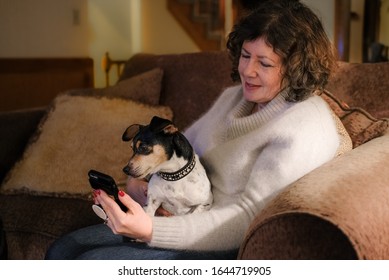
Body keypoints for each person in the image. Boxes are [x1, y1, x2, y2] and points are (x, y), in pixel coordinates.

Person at [45, 0, 351, 260]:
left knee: (91, 263)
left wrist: (151, 229)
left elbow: (247, 221)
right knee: (63, 248)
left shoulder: (303, 126)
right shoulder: (235, 98)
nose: (248, 71)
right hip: (178, 216)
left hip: (222, 243)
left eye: (265, 63)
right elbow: (178, 150)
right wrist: (143, 182)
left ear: (295, 68)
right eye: (245, 56)